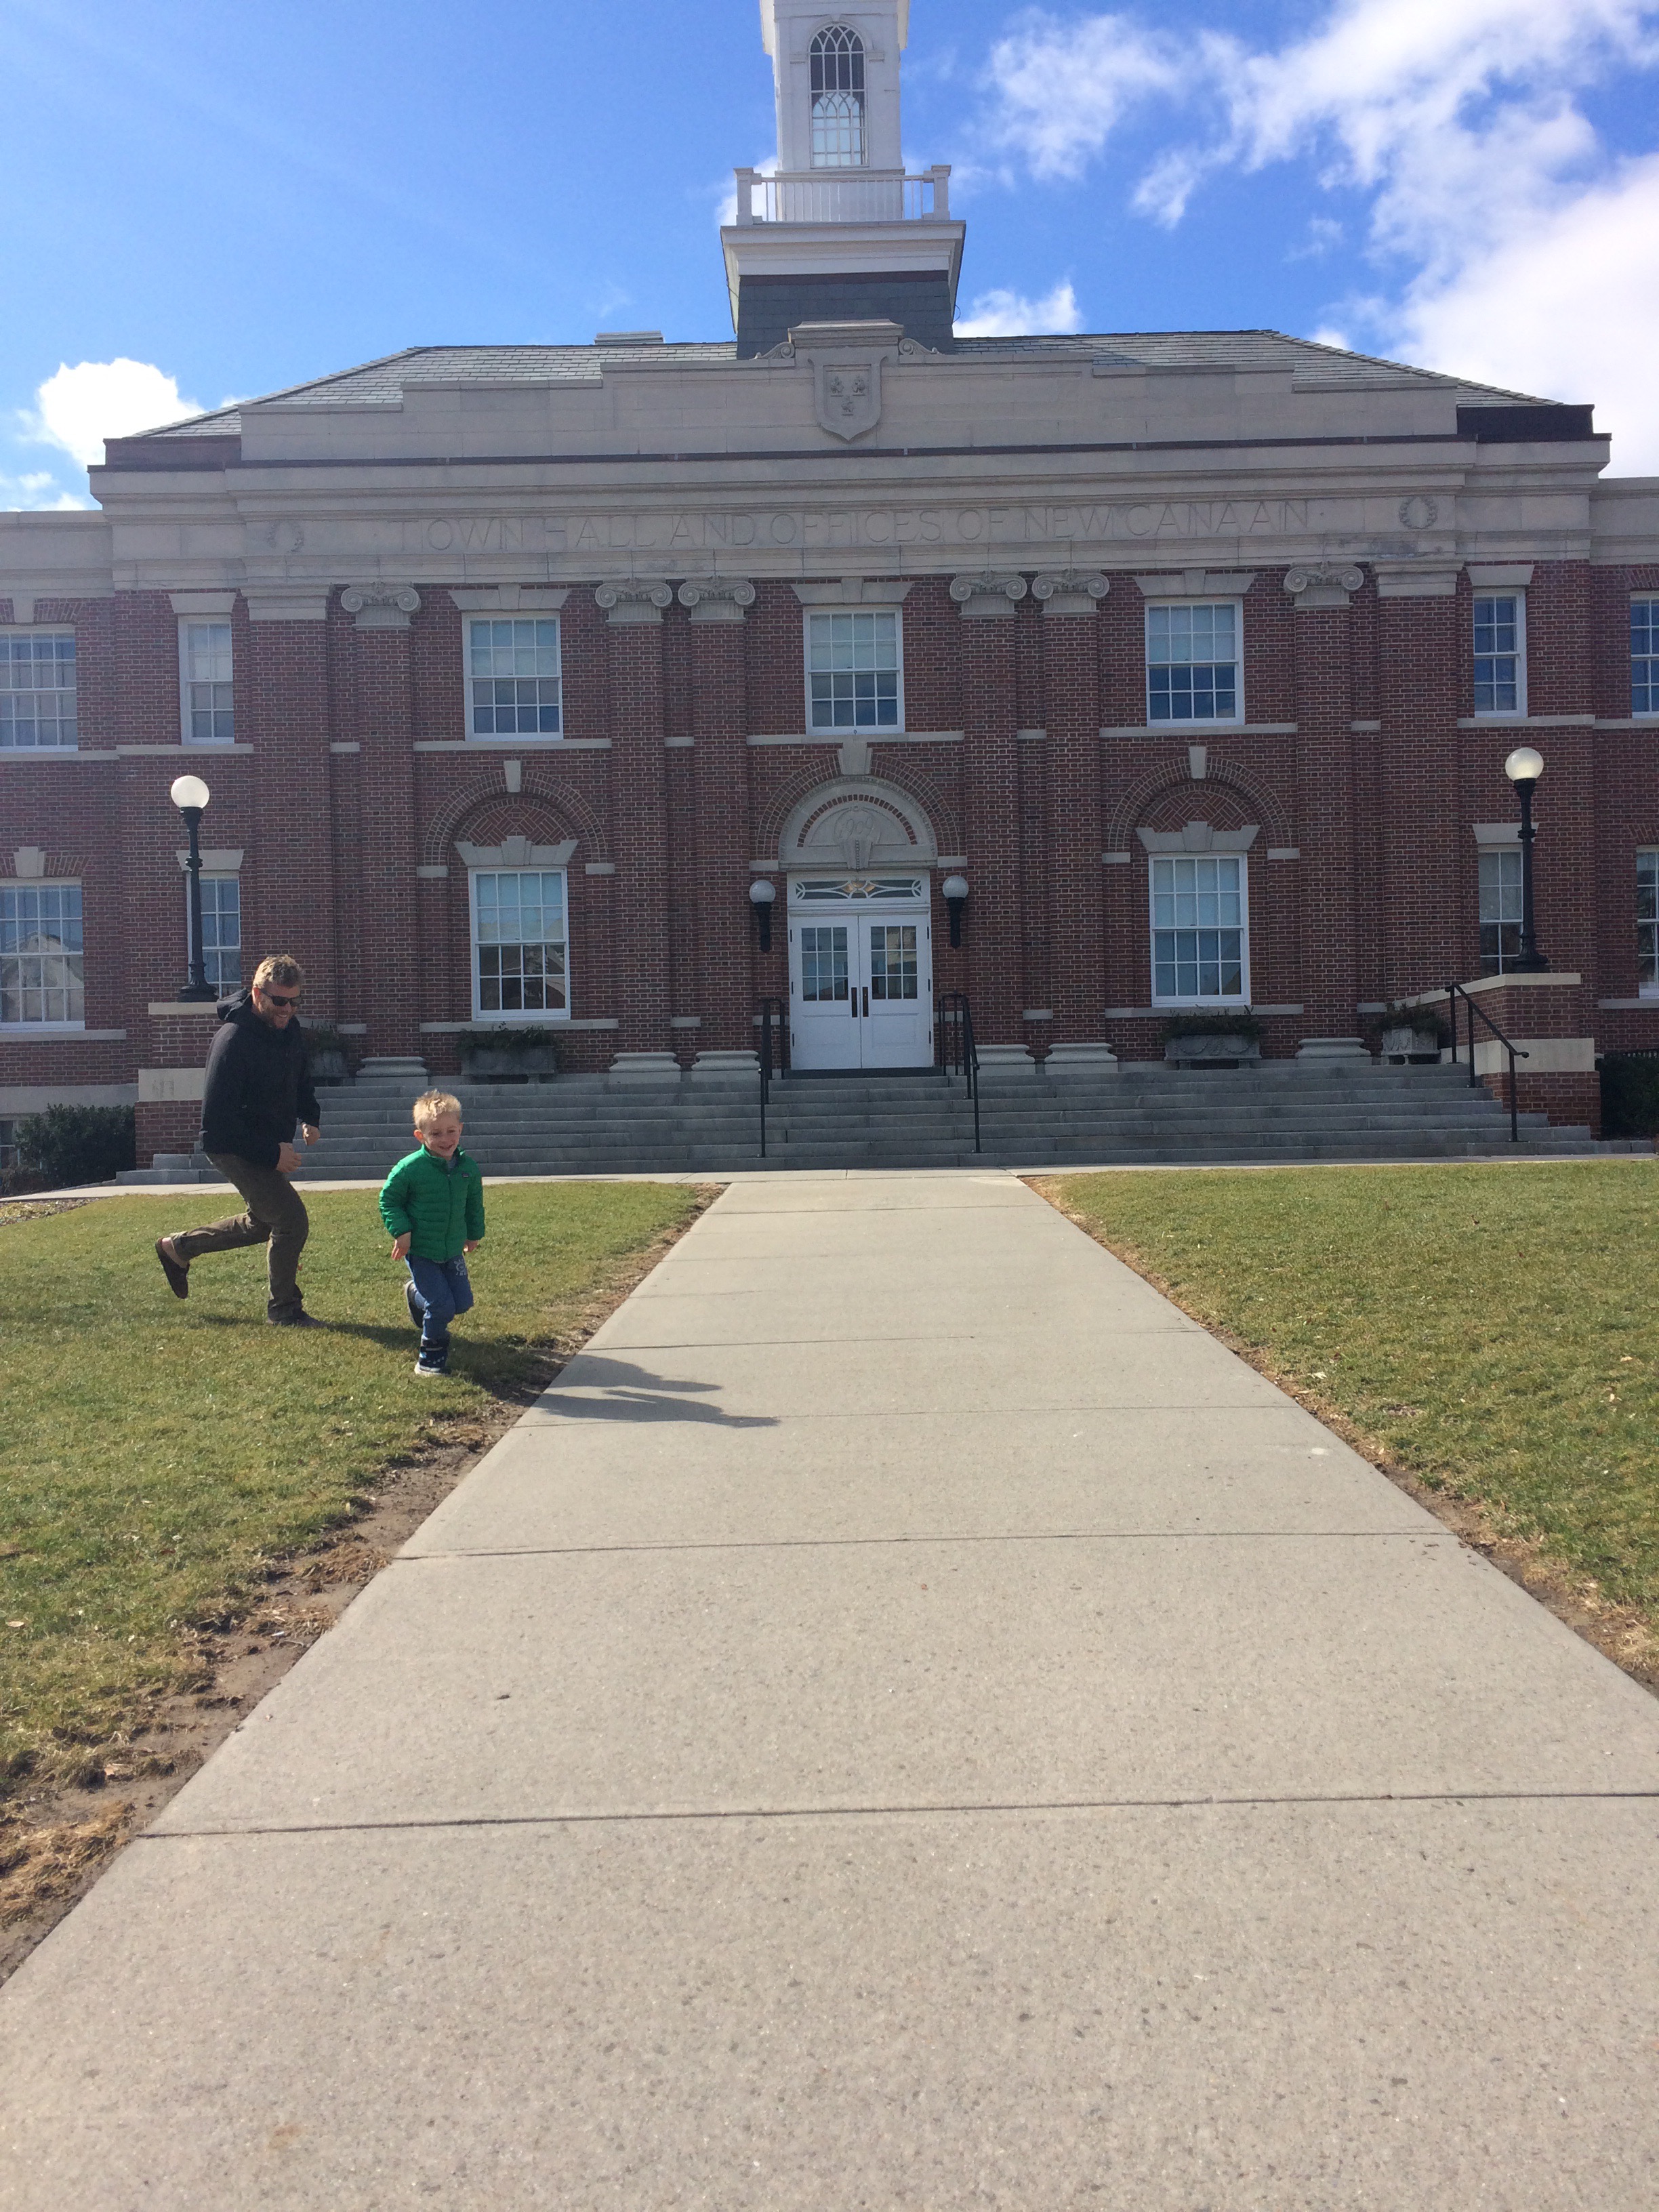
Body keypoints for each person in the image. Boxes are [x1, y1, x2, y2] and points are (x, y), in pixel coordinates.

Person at [153, 954, 323, 1325]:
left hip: (265, 1144)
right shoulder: (233, 1040)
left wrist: (310, 1117)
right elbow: (216, 1126)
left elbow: (301, 1079)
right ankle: (284, 1310)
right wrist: (272, 1153)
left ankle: (178, 1248)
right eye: (279, 1001)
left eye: (295, 1001)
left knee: (263, 1222)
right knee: (291, 1220)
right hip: (232, 1147)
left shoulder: (288, 1030)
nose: (287, 1010)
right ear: (257, 993)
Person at [378, 1090, 485, 1376]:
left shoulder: (468, 1169)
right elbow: (389, 1200)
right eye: (436, 1134)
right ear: (420, 1135)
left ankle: (415, 1294)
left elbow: (474, 1204)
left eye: (451, 1131)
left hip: (452, 1249)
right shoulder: (410, 1169)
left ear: (460, 1129)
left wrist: (474, 1234)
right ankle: (429, 1361)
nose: (445, 1139)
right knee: (441, 1307)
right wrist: (402, 1232)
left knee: (461, 1303)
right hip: (422, 1250)